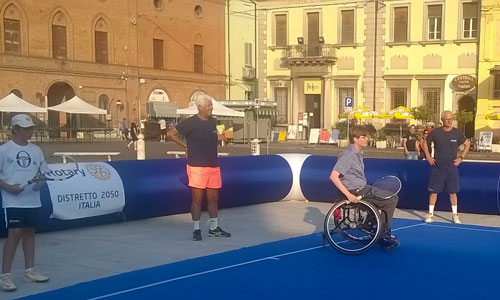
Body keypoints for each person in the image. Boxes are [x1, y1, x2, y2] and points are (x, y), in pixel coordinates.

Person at [167, 93, 231, 241]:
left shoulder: (213, 121)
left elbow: (212, 139)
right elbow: (171, 134)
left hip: (213, 166)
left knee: (213, 198)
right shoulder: (190, 122)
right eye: (208, 105)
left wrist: (219, 139)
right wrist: (186, 146)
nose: (211, 108)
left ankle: (214, 228)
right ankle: (196, 229)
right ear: (200, 107)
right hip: (197, 167)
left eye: (211, 105)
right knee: (197, 198)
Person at [0, 114, 49, 292]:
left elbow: (43, 174)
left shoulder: (36, 150)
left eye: (31, 127)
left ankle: (30, 271)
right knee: (14, 234)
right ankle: (5, 275)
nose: (30, 131)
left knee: (30, 234)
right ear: (15, 129)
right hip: (12, 200)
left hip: (32, 200)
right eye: (26, 128)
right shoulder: (4, 150)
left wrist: (40, 183)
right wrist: (8, 187)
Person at [329, 125, 400, 248]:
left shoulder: (358, 153)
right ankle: (381, 233)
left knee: (387, 197)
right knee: (391, 200)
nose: (367, 139)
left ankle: (373, 228)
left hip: (362, 187)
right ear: (355, 139)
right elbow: (333, 176)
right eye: (363, 137)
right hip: (356, 190)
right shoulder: (348, 155)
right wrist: (349, 195)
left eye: (367, 137)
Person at [422, 111, 470, 224]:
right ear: (442, 120)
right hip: (437, 168)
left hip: (451, 168)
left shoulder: (457, 133)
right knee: (433, 192)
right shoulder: (436, 132)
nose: (449, 121)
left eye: (451, 119)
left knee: (453, 192)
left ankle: (455, 215)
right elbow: (424, 142)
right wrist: (428, 156)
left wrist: (461, 157)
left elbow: (467, 144)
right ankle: (430, 214)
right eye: (447, 119)